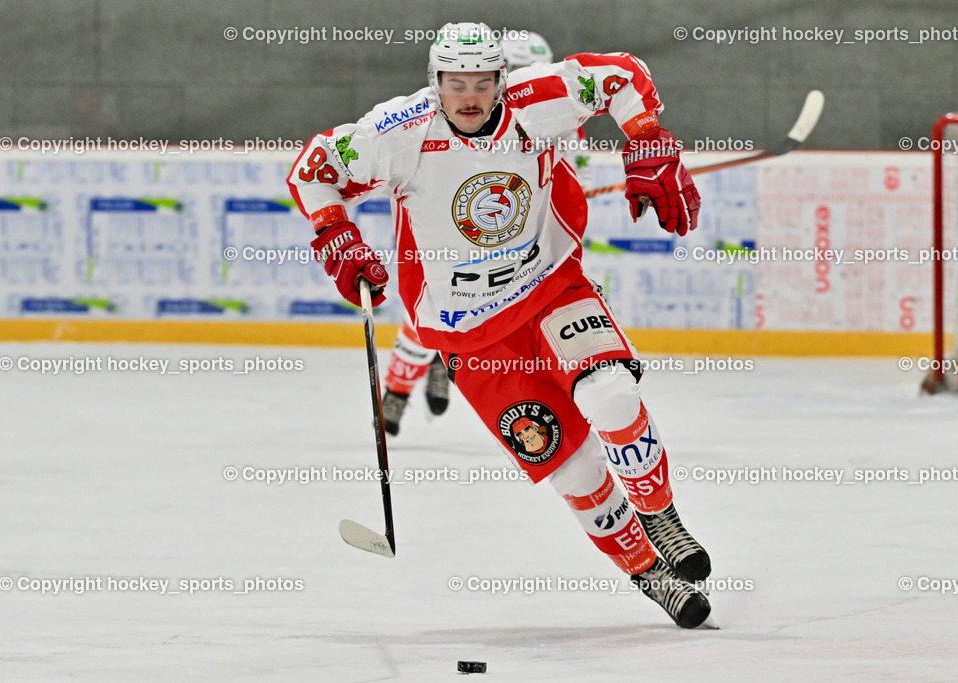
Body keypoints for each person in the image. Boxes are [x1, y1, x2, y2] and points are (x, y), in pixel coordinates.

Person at [289, 22, 710, 628]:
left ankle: (662, 517)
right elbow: (314, 167)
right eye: (455, 83)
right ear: (435, 82)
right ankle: (652, 577)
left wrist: (647, 137)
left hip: (548, 285)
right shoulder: (397, 132)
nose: (469, 95)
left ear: (500, 82)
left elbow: (620, 73)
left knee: (612, 392)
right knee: (576, 468)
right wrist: (336, 231)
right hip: (467, 329)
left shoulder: (538, 101)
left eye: (482, 82)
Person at [380, 29, 563, 437]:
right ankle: (398, 386)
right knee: (430, 315)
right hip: (445, 237)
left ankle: (445, 364)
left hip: (508, 243)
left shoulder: (549, 114)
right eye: (520, 71)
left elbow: (569, 170)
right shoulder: (444, 115)